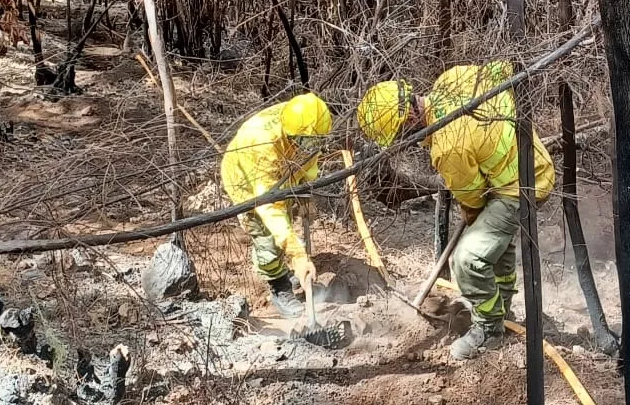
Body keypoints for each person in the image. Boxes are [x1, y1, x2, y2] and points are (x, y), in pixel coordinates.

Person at [358, 63, 554, 360]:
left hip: (523, 185)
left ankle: (489, 328)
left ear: (409, 118)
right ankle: (502, 306)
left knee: (468, 258)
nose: (404, 142)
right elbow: (505, 69)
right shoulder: (451, 80)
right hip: (530, 162)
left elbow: (474, 200)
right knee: (492, 242)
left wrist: (474, 219)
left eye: (400, 134)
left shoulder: (447, 147)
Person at [221, 93, 332, 318]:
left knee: (286, 221)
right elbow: (270, 208)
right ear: (289, 134)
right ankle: (279, 286)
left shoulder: (306, 122)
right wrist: (298, 255)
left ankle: (289, 269)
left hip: (283, 174)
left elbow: (310, 159)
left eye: (316, 142)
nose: (310, 147)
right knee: (267, 237)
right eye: (305, 143)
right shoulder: (262, 143)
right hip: (247, 182)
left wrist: (305, 191)